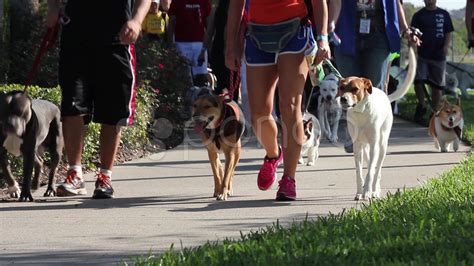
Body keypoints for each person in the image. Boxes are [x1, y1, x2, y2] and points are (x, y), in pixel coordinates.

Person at [225, 0, 331, 200]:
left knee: (290, 107)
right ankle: (274, 155)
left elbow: (319, 3)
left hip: (295, 33)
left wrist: (323, 38)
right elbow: (236, 6)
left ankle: (288, 179)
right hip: (257, 35)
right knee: (258, 114)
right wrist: (231, 46)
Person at [46, 0, 151, 199]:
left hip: (117, 39)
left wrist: (137, 21)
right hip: (75, 37)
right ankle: (75, 174)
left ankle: (105, 176)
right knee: (72, 106)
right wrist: (52, 7)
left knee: (113, 112)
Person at [328, 0, 420, 152]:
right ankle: (353, 131)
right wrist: (329, 26)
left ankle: (372, 132)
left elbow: (395, 2)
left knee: (374, 89)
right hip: (346, 32)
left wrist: (405, 29)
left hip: (379, 34)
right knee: (349, 88)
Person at [411, 0, 453, 125]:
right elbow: (413, 33)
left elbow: (448, 32)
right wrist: (414, 51)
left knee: (437, 86)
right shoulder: (418, 16)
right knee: (418, 81)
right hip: (422, 55)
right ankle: (422, 105)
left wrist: (446, 46)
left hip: (438, 56)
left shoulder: (444, 14)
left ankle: (435, 112)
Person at [167, 0, 212, 86]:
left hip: (200, 45)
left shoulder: (204, 2)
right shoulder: (177, 2)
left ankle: (201, 98)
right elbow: (171, 23)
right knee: (183, 78)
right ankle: (186, 98)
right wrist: (171, 45)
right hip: (181, 44)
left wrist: (207, 46)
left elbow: (209, 25)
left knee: (201, 77)